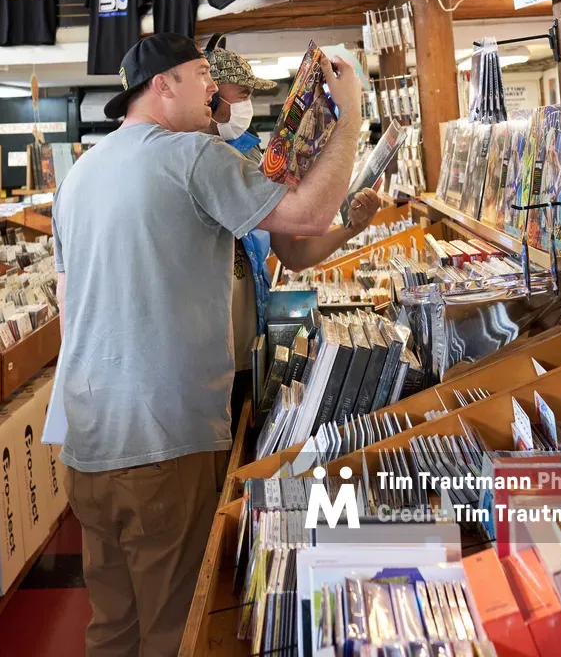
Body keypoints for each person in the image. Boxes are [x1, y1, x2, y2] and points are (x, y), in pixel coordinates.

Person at [50, 32, 362, 657]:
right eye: (200, 75)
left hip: (87, 438)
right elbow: (303, 217)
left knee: (113, 627)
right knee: (176, 631)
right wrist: (349, 113)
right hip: (163, 437)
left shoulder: (80, 174)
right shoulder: (192, 155)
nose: (214, 88)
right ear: (163, 86)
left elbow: (67, 302)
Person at [204, 46, 382, 433]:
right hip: (206, 371)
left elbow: (294, 252)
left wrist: (350, 228)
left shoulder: (253, 160)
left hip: (251, 355)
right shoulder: (192, 163)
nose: (249, 105)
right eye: (244, 94)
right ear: (211, 95)